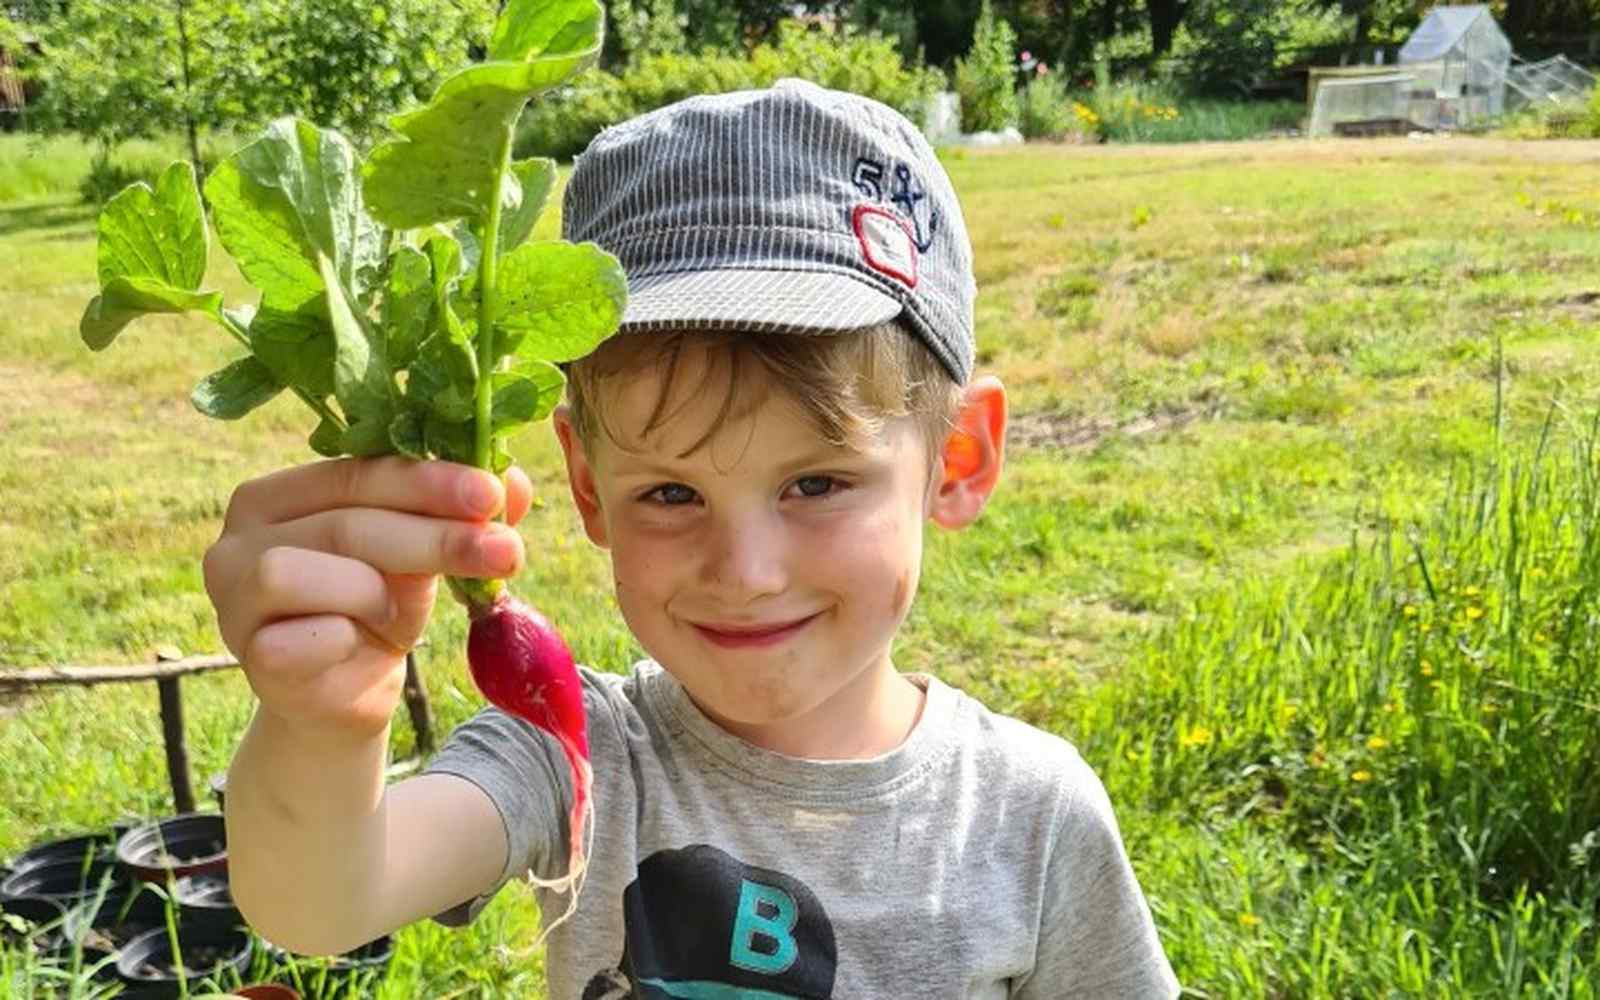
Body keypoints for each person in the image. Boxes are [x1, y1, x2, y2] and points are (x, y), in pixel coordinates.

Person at [212, 79, 1179, 998]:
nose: (746, 574)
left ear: (957, 459)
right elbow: (320, 901)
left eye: (816, 483)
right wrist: (321, 726)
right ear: (588, 486)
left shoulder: (1032, 817)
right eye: (671, 493)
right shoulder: (573, 753)